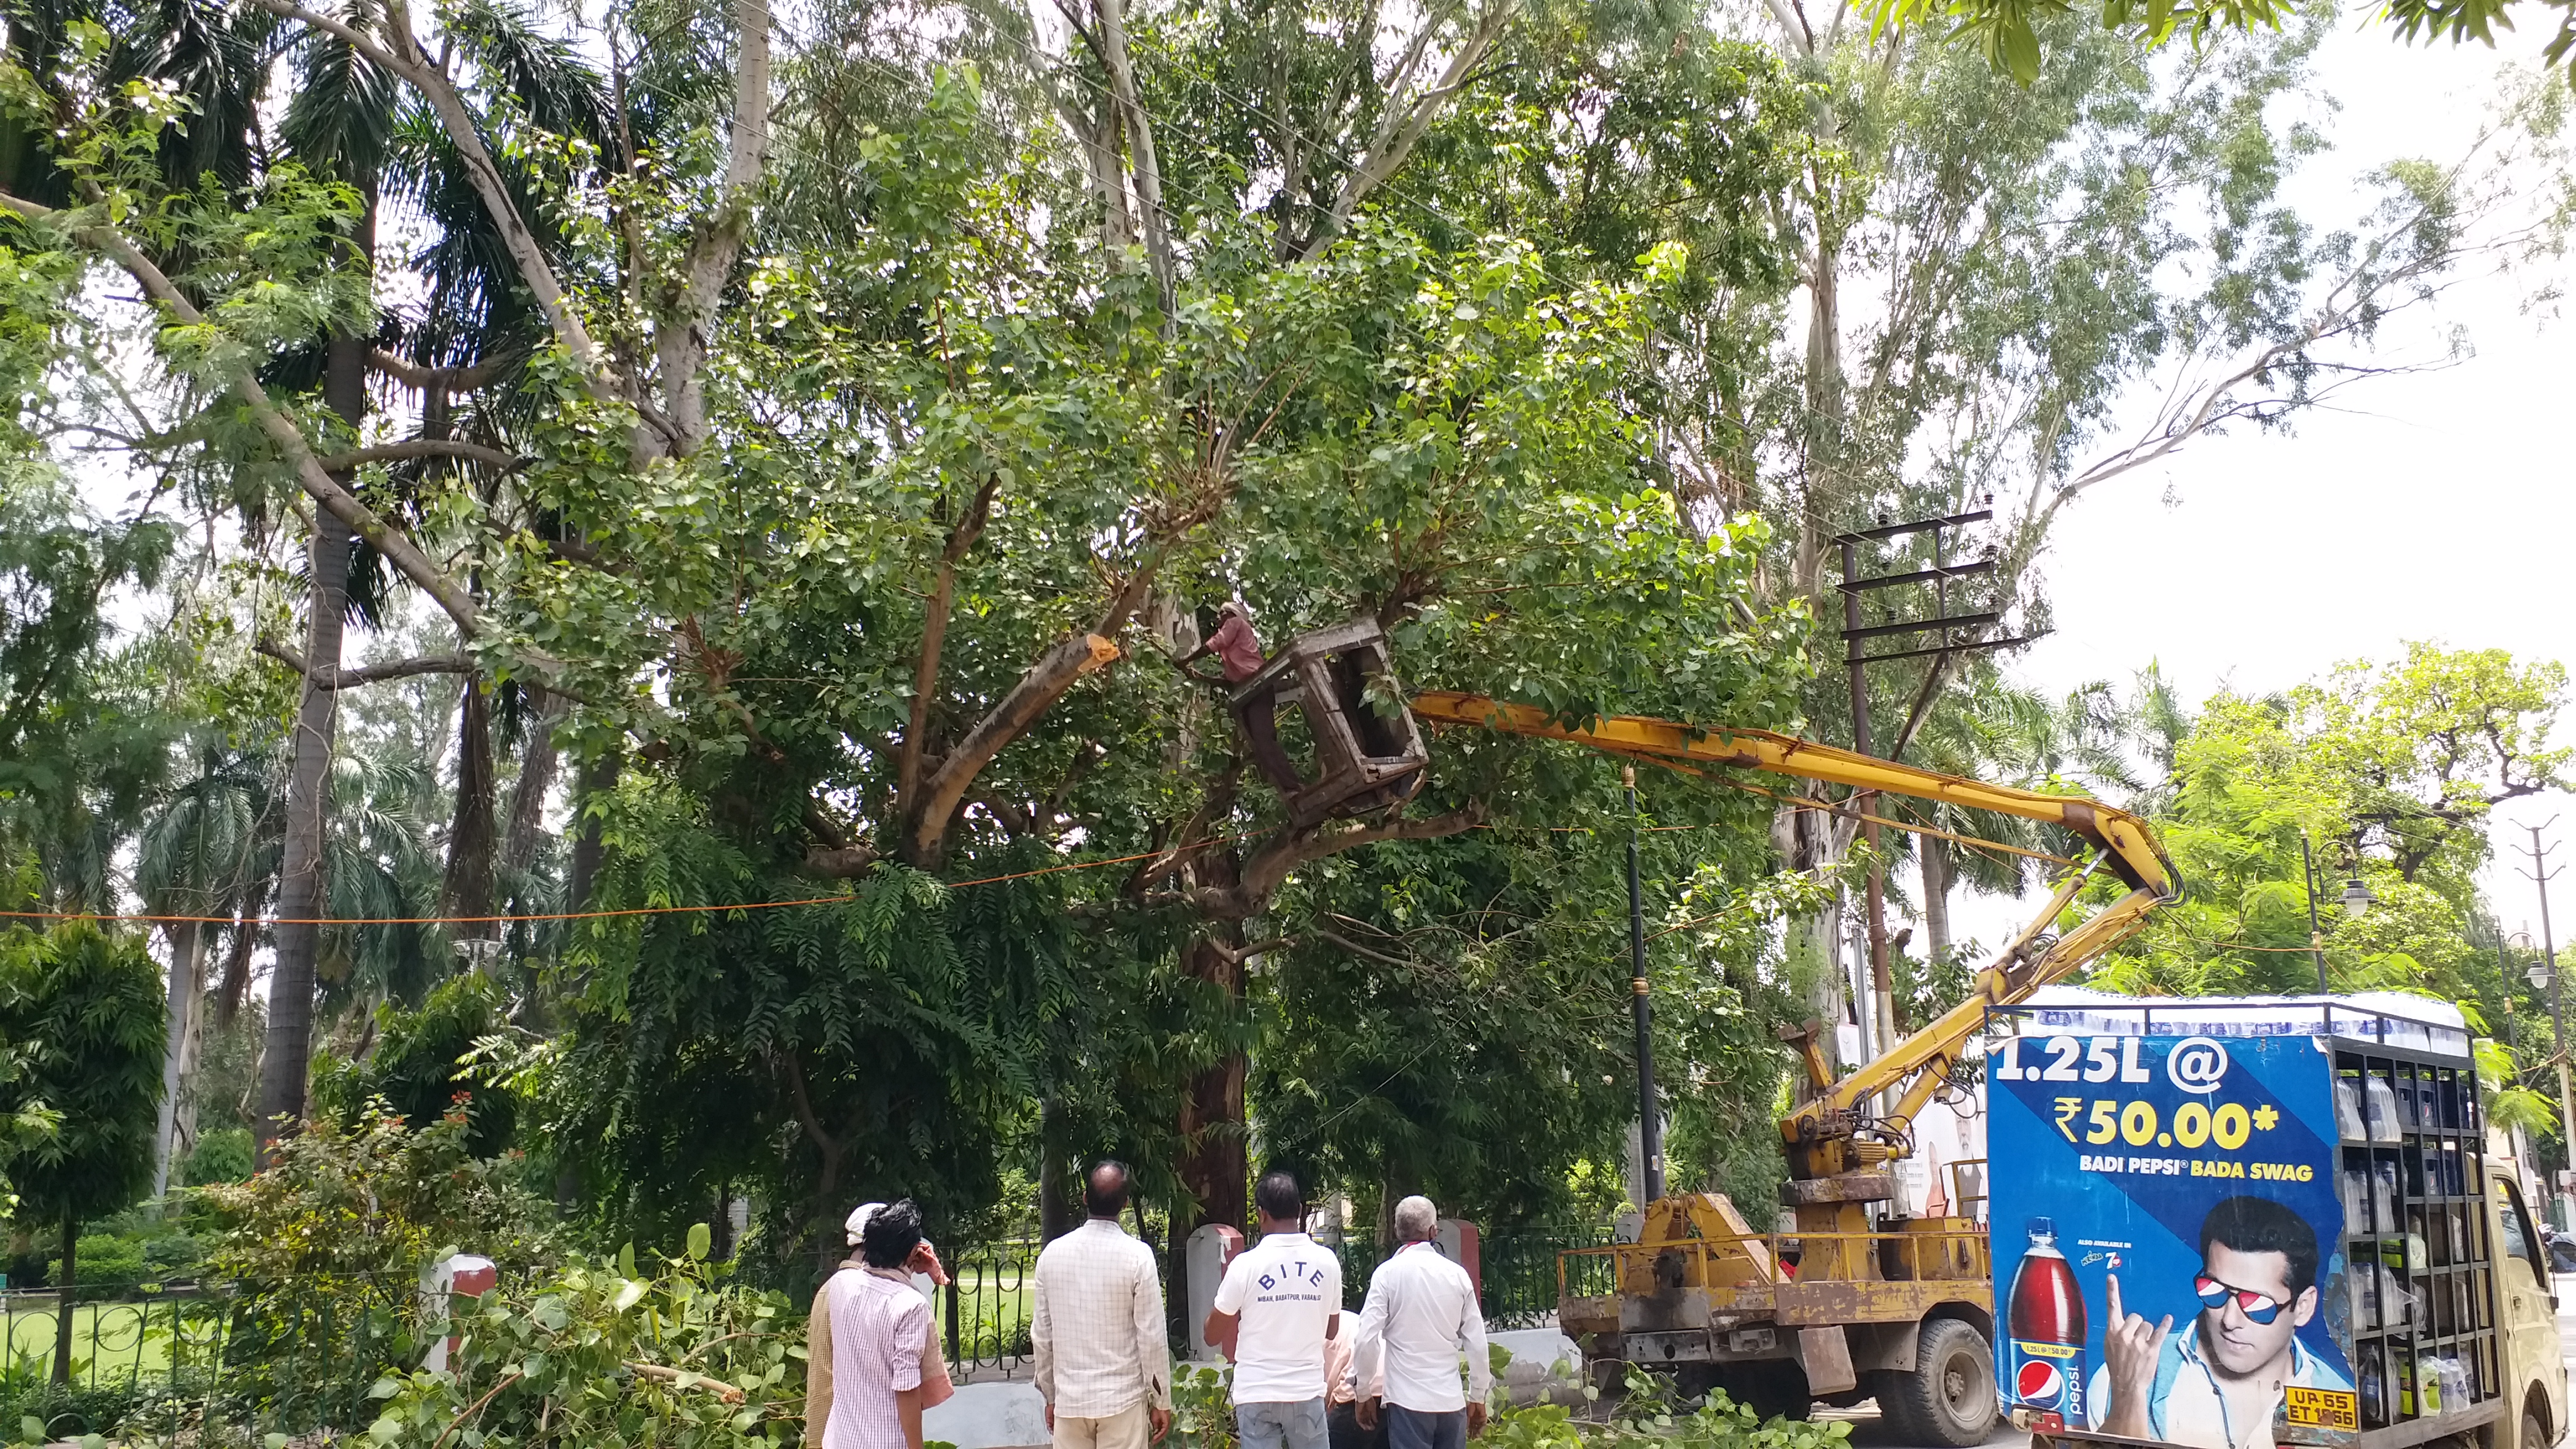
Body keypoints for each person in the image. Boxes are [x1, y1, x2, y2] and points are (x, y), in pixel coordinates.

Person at [2091, 1195, 2354, 1449]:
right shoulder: (2122, 1377)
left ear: (2303, 1307)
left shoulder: (2338, 1400)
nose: (2229, 1320)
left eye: (2257, 1303)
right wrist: (2128, 1400)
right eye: (2214, 1291)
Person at [1033, 1161, 1175, 1449]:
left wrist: (1050, 1396)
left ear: (1085, 1198)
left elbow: (1042, 1337)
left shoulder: (1051, 1256)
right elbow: (1152, 1338)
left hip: (1071, 1402)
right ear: (1125, 1204)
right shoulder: (1138, 1257)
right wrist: (1161, 1400)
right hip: (1122, 1402)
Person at [1206, 1171, 1342, 1449]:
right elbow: (1332, 1330)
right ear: (1300, 1211)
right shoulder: (1327, 1262)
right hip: (1306, 1392)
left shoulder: (1245, 1265)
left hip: (1256, 1393)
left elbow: (1212, 1336)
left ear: (1261, 1213)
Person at [808, 1202, 956, 1449]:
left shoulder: (839, 1285)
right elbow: (906, 1388)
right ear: (912, 1252)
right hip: (885, 1440)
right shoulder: (910, 1304)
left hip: (840, 1439)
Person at [1349, 1196, 1491, 1449]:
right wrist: (1477, 1396)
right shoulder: (1457, 1275)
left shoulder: (1387, 1275)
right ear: (1433, 1231)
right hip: (1451, 1404)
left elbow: (1366, 1339)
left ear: (1396, 1231)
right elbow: (1477, 1343)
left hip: (1408, 1404)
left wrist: (1363, 1393)